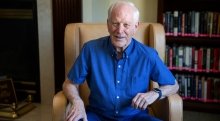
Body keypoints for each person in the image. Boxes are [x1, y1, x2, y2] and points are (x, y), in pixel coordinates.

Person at [63, 1, 179, 121]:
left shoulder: (148, 55)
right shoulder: (90, 50)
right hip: (97, 116)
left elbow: (173, 85)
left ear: (135, 27)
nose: (119, 30)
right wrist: (77, 102)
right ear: (108, 24)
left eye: (126, 25)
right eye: (115, 23)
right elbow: (69, 83)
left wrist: (155, 93)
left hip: (136, 117)